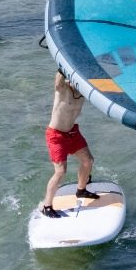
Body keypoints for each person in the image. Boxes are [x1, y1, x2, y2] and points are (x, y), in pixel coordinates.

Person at [39, 71, 99, 218]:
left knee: (88, 161)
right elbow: (58, 81)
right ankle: (47, 206)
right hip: (56, 135)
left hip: (72, 133)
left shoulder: (85, 91)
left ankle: (81, 190)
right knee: (60, 171)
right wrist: (62, 67)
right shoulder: (64, 88)